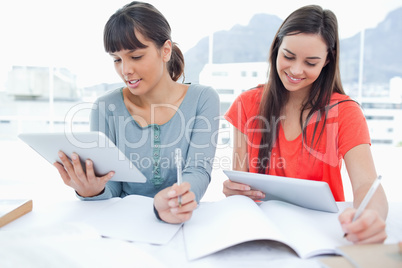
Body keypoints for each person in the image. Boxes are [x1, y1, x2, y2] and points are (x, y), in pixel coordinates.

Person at [223, 5, 388, 244]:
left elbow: (366, 184)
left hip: (324, 234)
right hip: (262, 232)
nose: (296, 70)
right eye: (288, 56)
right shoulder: (246, 104)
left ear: (327, 61)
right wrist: (235, 191)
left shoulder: (345, 112)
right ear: (276, 48)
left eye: (311, 62)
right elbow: (242, 180)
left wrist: (371, 217)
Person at [54, 1, 219, 224]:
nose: (125, 70)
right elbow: (111, 184)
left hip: (179, 220)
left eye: (136, 56)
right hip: (122, 224)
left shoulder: (203, 99)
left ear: (166, 51)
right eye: (116, 59)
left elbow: (198, 170)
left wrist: (173, 199)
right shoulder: (105, 107)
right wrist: (91, 190)